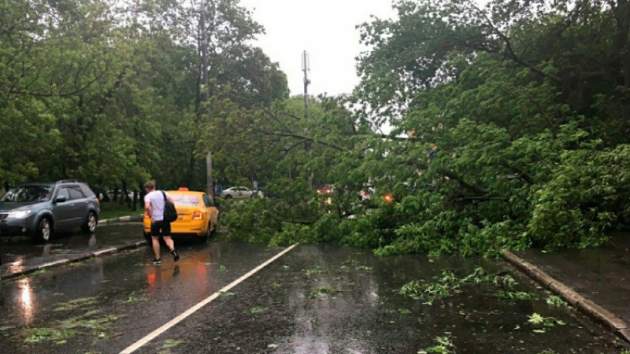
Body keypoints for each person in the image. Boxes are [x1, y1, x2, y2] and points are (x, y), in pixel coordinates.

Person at [144, 180, 179, 265]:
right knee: (167, 237)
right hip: (165, 219)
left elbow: (147, 206)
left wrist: (151, 215)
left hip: (155, 220)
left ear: (147, 189)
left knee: (155, 238)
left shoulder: (148, 196)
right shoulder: (163, 193)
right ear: (154, 187)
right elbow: (172, 202)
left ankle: (158, 259)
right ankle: (173, 250)